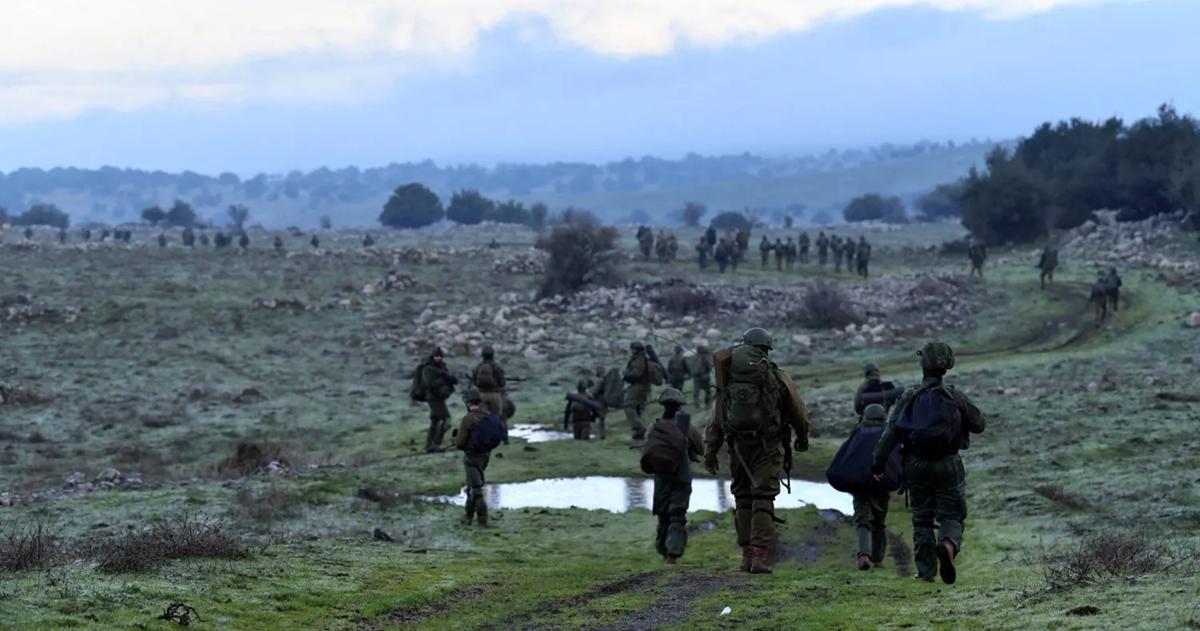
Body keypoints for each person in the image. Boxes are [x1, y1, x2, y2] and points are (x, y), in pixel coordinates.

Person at [872, 341, 986, 585]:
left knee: (922, 518)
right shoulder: (956, 397)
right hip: (948, 463)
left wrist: (878, 464)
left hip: (915, 464)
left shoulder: (908, 397)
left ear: (922, 364)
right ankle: (947, 543)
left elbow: (890, 434)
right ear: (947, 366)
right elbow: (979, 425)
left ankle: (925, 573)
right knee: (952, 514)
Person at [703, 328, 811, 574]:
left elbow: (716, 419)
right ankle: (760, 558)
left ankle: (746, 556)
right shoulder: (776, 377)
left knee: (742, 498)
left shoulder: (728, 380)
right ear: (766, 350)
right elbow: (798, 411)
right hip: (768, 446)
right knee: (763, 497)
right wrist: (802, 437)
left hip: (737, 447)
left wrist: (710, 453)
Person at [646, 388, 705, 564]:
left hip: (661, 478)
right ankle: (673, 556)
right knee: (677, 516)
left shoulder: (655, 426)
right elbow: (701, 450)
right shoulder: (687, 426)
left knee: (663, 515)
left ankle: (664, 552)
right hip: (682, 476)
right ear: (680, 405)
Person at [454, 390, 504, 527]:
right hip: (485, 457)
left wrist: (456, 439)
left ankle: (483, 520)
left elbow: (459, 443)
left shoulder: (468, 419)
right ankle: (468, 517)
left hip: (471, 458)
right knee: (472, 485)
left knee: (476, 489)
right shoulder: (488, 416)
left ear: (468, 403)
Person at [854, 404, 892, 570]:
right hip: (882, 483)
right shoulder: (888, 434)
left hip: (861, 484)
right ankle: (877, 559)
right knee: (879, 521)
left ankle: (864, 555)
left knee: (863, 519)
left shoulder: (858, 434)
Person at [420, 347, 458, 453]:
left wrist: (451, 379)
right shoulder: (427, 369)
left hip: (440, 397)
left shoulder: (442, 366)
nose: (438, 358)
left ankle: (429, 445)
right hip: (432, 398)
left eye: (440, 356)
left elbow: (447, 378)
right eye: (436, 356)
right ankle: (436, 443)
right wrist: (443, 378)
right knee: (447, 420)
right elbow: (428, 384)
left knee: (435, 421)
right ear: (433, 356)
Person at [623, 341, 652, 444]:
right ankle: (640, 432)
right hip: (642, 386)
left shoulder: (639, 359)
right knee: (638, 408)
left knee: (628, 405)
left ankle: (638, 427)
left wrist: (625, 373)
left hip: (638, 386)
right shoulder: (642, 358)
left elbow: (636, 373)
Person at [471, 345, 508, 418]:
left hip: (481, 395)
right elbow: (502, 383)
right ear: (493, 355)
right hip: (495, 395)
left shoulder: (478, 367)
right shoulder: (496, 367)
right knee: (497, 418)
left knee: (482, 418)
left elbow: (474, 382)